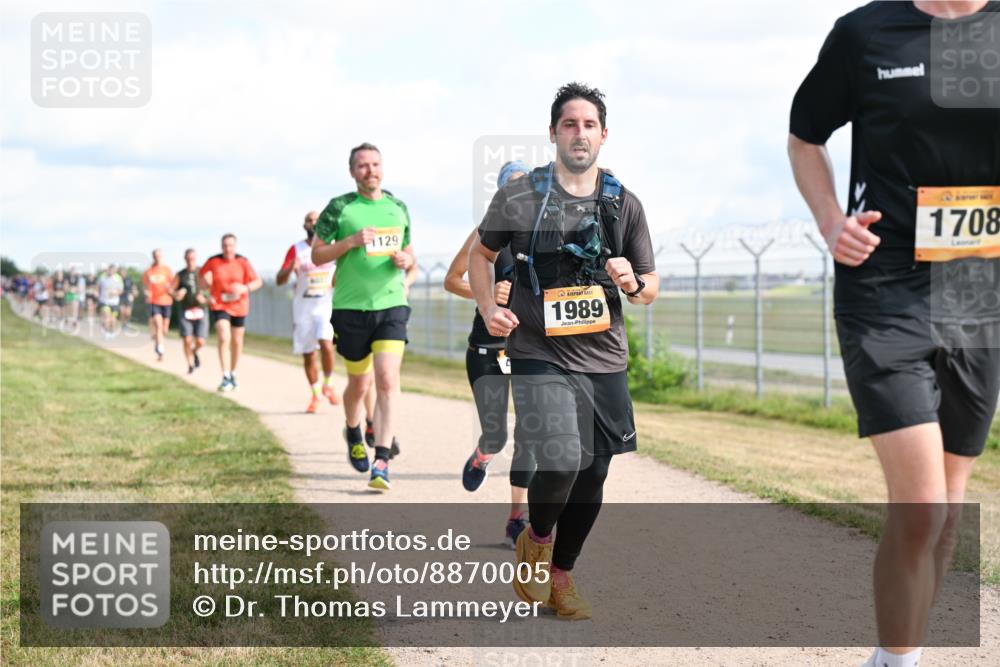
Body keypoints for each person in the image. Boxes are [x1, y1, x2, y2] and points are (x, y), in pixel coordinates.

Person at [788, 2, 1000, 665]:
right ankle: (896, 659)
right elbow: (804, 136)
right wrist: (830, 222)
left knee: (948, 514)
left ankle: (899, 648)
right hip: (885, 286)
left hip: (978, 292)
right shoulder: (865, 33)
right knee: (922, 509)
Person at [469, 82, 659, 619]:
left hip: (604, 357)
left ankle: (561, 575)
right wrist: (488, 309)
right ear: (553, 133)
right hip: (538, 350)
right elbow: (481, 257)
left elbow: (650, 286)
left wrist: (633, 282)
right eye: (569, 124)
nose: (579, 133)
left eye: (589, 125)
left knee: (595, 472)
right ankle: (539, 534)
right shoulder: (519, 196)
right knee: (562, 454)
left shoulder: (623, 203)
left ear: (604, 134)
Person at [313, 142, 417, 491]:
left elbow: (409, 254)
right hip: (350, 308)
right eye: (362, 166)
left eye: (375, 164)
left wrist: (406, 262)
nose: (370, 170)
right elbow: (317, 255)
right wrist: (350, 242)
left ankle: (382, 461)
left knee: (386, 380)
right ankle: (354, 428)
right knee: (359, 385)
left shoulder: (397, 207)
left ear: (382, 168)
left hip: (391, 304)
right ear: (352, 171)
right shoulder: (340, 208)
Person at [445, 159, 536, 548]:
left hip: (530, 348)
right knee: (497, 435)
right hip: (487, 348)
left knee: (530, 433)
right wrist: (487, 295)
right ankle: (483, 453)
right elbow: (452, 279)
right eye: (510, 187)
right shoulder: (485, 232)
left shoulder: (543, 232)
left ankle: (517, 517)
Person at [277, 211, 341, 413]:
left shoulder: (333, 246)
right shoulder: (296, 250)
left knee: (327, 344)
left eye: (317, 220)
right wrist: (290, 269)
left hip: (326, 305)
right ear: (304, 224)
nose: (313, 223)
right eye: (309, 220)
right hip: (303, 308)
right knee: (309, 355)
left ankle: (328, 384)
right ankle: (315, 395)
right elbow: (280, 280)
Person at [199, 234, 263, 391]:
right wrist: (206, 292)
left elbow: (258, 282)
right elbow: (200, 276)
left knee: (237, 341)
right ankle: (225, 375)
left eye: (231, 245)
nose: (228, 248)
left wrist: (244, 288)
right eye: (225, 245)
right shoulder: (213, 261)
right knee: (223, 336)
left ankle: (233, 373)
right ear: (221, 246)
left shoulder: (243, 262)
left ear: (235, 247)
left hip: (240, 305)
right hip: (220, 304)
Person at [172, 248, 208, 374]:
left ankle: (193, 352)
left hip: (200, 310)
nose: (190, 261)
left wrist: (205, 297)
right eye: (188, 259)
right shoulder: (180, 274)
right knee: (187, 339)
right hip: (185, 310)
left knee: (200, 341)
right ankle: (190, 364)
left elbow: (212, 287)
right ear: (185, 259)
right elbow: (171, 290)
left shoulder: (202, 272)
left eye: (192, 259)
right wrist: (177, 294)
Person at [143, 249, 174, 361]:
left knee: (164, 329)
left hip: (166, 301)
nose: (157, 258)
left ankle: (158, 342)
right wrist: (146, 292)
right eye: (155, 256)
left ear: (162, 256)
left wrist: (170, 289)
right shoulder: (148, 272)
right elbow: (145, 287)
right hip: (154, 301)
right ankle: (161, 351)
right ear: (153, 257)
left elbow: (173, 285)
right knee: (158, 325)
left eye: (159, 256)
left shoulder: (167, 270)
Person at [97, 264, 124, 338]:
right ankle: (106, 331)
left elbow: (121, 290)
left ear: (115, 271)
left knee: (113, 319)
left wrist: (114, 293)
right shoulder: (102, 277)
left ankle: (111, 331)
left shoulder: (118, 278)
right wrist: (98, 295)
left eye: (113, 270)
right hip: (104, 301)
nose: (111, 271)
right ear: (108, 269)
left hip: (114, 302)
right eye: (110, 270)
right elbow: (98, 287)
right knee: (106, 316)